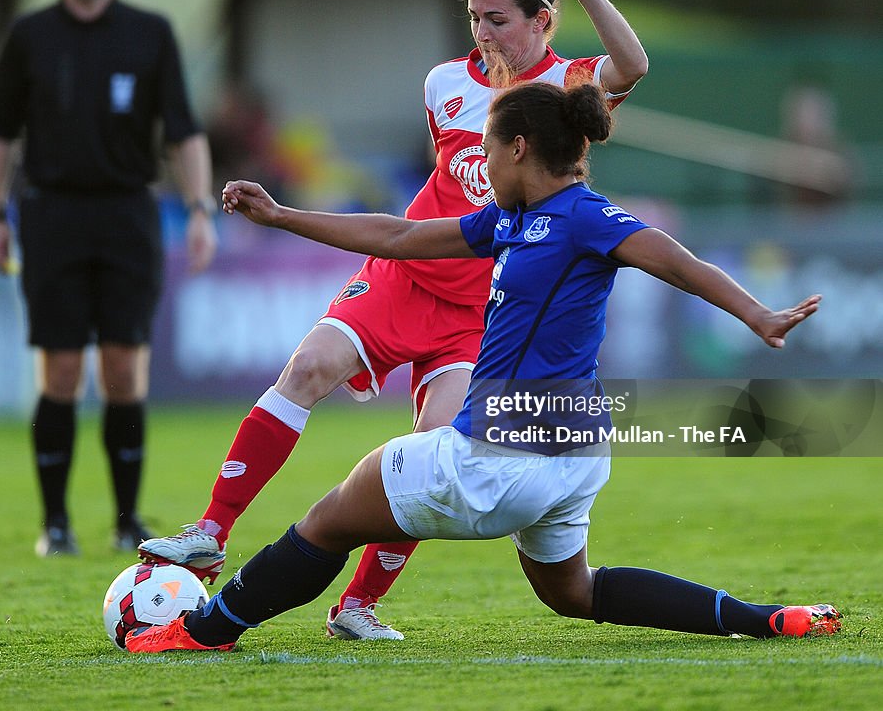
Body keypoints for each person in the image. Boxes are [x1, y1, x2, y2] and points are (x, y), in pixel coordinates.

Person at [125, 80, 840, 654]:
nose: (480, 168)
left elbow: (676, 261)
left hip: (499, 455)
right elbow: (400, 235)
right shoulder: (509, 220)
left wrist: (758, 315)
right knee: (572, 593)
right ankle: (764, 620)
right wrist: (283, 217)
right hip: (571, 455)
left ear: (519, 148)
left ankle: (198, 632)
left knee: (328, 519)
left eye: (487, 153)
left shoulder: (586, 218)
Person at [137, 0, 650, 640]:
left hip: (481, 309)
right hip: (406, 273)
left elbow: (629, 65)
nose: (483, 33)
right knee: (309, 365)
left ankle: (358, 606)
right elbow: (431, 206)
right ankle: (211, 532)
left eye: (497, 20)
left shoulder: (567, 85)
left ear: (542, 17)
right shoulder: (444, 83)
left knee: (431, 443)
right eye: (473, 17)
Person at [0, 0, 217, 558]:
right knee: (58, 370)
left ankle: (125, 518)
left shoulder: (149, 33)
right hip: (51, 212)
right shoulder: (30, 36)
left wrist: (199, 210)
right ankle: (54, 524)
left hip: (127, 214)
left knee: (122, 369)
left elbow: (184, 131)